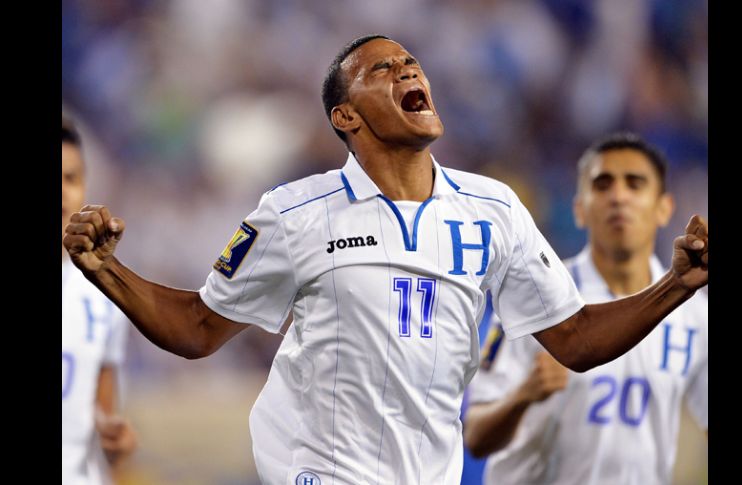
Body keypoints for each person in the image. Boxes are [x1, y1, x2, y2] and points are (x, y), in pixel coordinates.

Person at [62, 35, 708, 484]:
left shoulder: (493, 208)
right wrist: (107, 269)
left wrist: (679, 283)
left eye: (410, 63)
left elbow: (573, 336)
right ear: (346, 115)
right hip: (315, 464)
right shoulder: (296, 212)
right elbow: (198, 328)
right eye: (381, 69)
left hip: (429, 471)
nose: (407, 72)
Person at [463, 132, 707, 484]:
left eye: (635, 184)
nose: (618, 197)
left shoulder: (696, 313)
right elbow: (476, 438)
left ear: (664, 208)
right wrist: (524, 394)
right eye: (602, 184)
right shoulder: (533, 298)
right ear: (579, 208)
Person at [62, 115, 138, 484]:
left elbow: (103, 410)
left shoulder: (104, 292)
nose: (62, 192)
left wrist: (115, 439)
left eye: (71, 179)